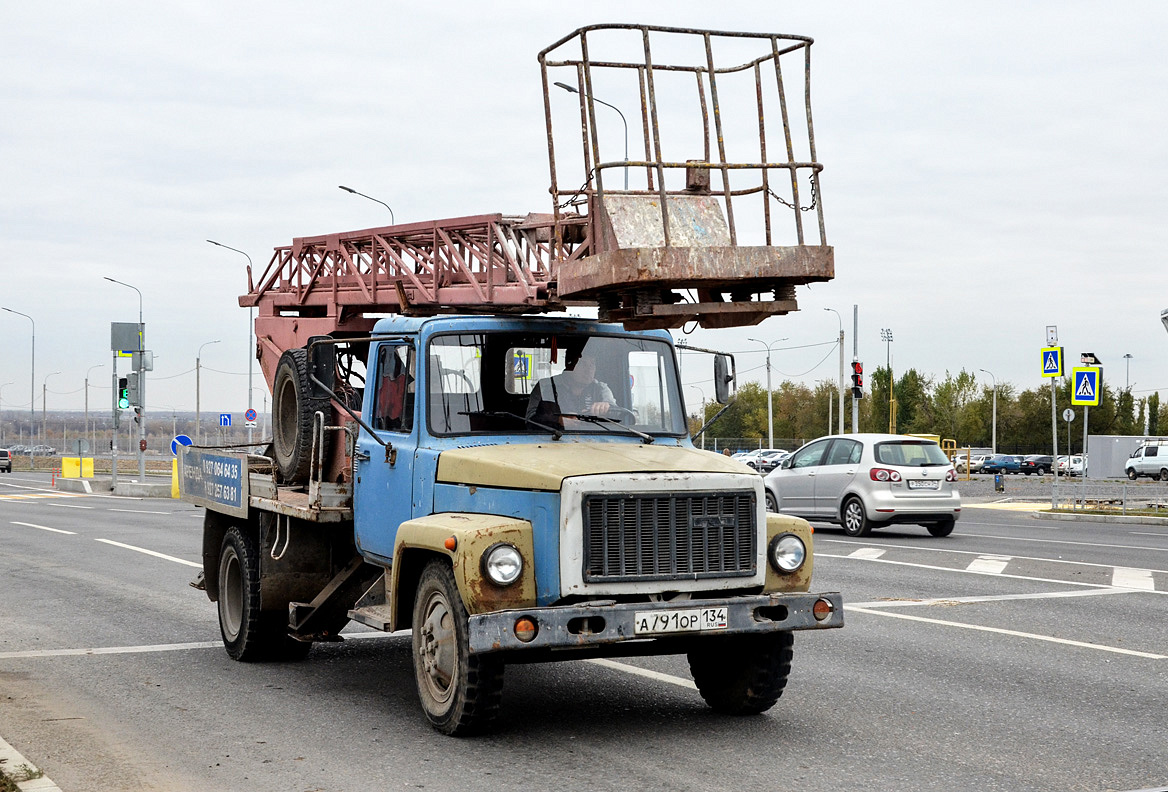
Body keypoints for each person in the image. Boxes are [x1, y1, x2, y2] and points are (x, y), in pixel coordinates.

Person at [526, 354, 617, 424]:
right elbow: (529, 419)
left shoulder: (600, 388)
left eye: (592, 364)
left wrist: (606, 408)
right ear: (569, 366)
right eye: (582, 364)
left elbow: (618, 414)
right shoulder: (545, 386)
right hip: (551, 440)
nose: (588, 370)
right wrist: (558, 420)